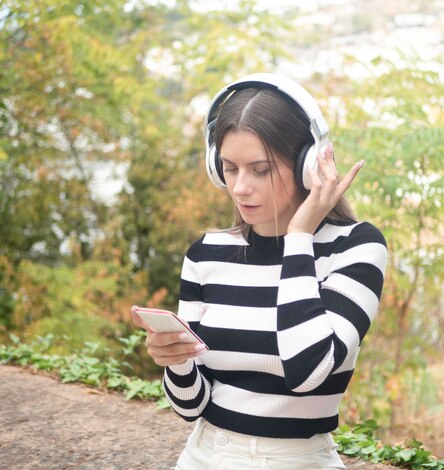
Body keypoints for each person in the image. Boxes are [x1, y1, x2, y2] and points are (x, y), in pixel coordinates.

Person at [132, 73, 387, 470]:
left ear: (307, 166)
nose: (239, 187)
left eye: (260, 169)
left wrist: (298, 237)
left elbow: (309, 371)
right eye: (229, 168)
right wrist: (176, 360)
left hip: (299, 460)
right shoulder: (206, 254)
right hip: (204, 455)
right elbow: (190, 406)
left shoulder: (356, 247)